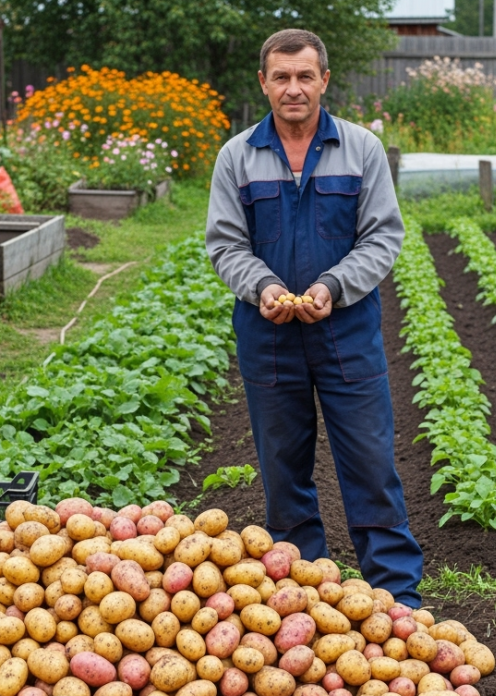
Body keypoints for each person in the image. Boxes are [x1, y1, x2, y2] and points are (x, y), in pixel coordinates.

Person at [205, 28, 423, 608]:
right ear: (263, 83)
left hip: (345, 330)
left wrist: (332, 285)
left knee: (371, 465)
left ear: (324, 80)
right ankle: (302, 594)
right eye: (282, 76)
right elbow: (225, 245)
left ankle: (396, 597)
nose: (293, 88)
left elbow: (382, 238)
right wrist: (265, 287)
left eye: (305, 76)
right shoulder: (238, 157)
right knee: (283, 472)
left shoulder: (360, 149)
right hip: (268, 334)